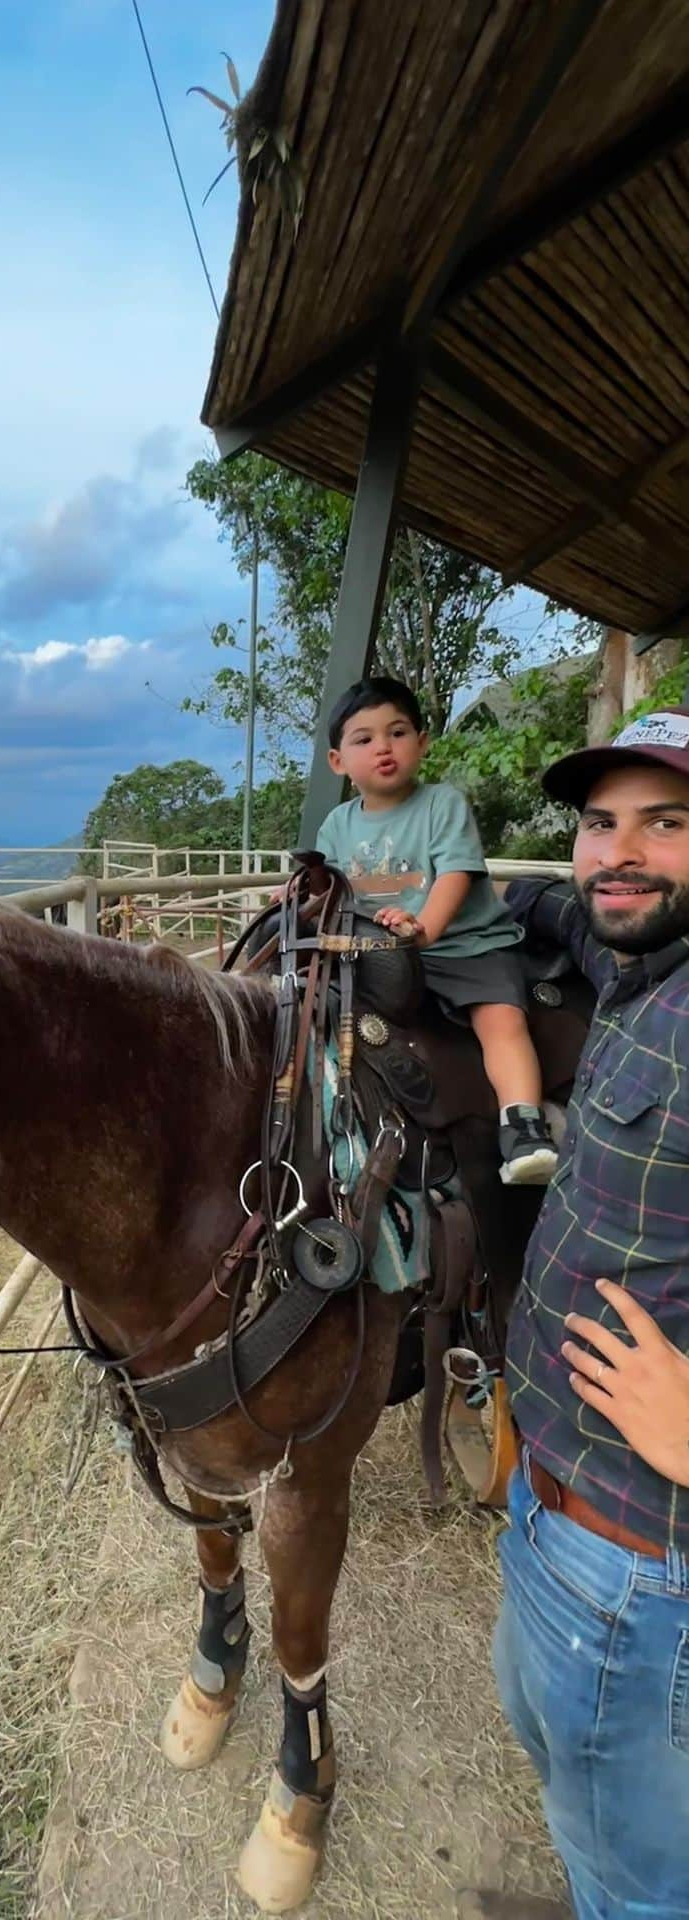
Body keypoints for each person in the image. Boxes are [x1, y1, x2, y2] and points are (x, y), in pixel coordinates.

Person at [459, 705, 689, 1920]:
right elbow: (569, 912)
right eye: (601, 825)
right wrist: (455, 883)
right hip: (554, 1515)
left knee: (641, 1878)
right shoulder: (642, 964)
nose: (620, 853)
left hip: (642, 1567)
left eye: (667, 821)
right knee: (577, 1796)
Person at [316, 675, 557, 1183]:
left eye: (398, 733)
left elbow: (454, 873)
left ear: (422, 743)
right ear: (338, 761)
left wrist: (423, 928)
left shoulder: (440, 804)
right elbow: (330, 885)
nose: (383, 747)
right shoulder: (338, 824)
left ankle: (523, 1124)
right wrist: (301, 894)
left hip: (464, 945)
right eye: (364, 739)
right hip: (382, 954)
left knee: (501, 1019)